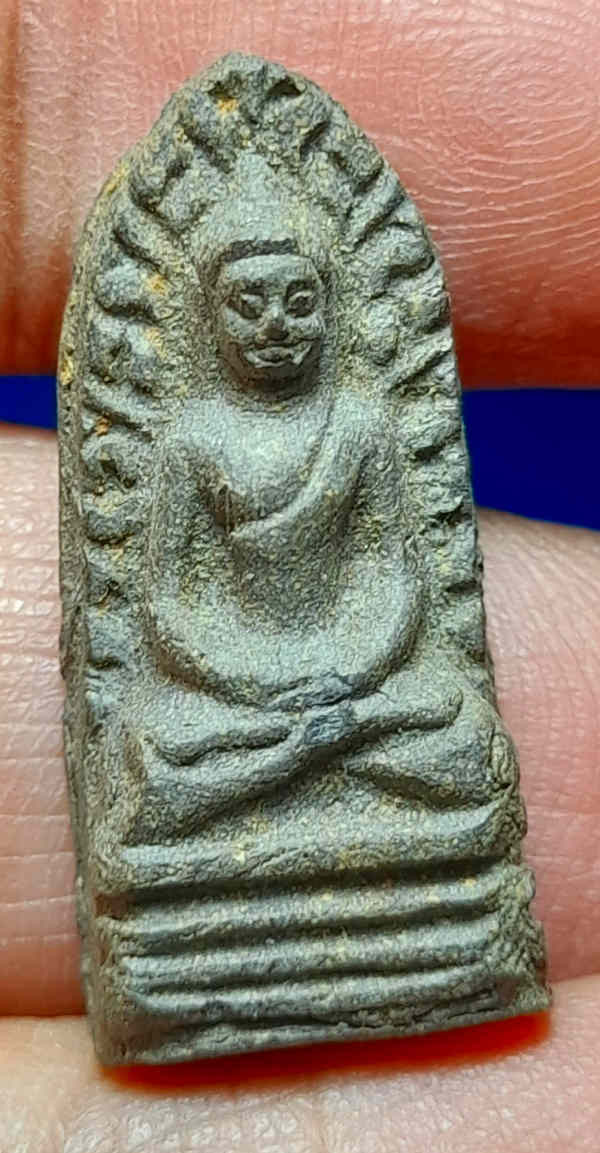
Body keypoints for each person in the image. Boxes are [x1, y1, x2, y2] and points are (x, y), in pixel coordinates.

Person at [1, 0, 600, 1146]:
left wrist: (348, 679)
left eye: (300, 301)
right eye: (248, 302)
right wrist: (263, 694)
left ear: (331, 306)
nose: (276, 325)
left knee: (455, 736)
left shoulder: (364, 424)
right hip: (229, 696)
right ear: (209, 313)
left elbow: (400, 584)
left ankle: (326, 812)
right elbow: (164, 605)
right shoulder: (192, 441)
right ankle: (265, 806)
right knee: (151, 760)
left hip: (359, 682)